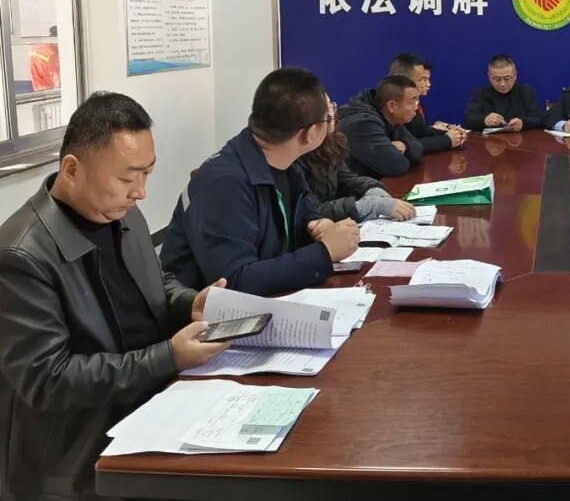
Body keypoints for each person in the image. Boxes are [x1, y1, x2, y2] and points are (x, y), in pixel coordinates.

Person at [0, 92, 230, 499]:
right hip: (81, 454)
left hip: (152, 407)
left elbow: (154, 280)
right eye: (127, 178)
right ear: (72, 169)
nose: (140, 192)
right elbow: (47, 379)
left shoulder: (123, 214)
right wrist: (169, 357)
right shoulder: (21, 256)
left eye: (147, 174)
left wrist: (188, 302)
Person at [161, 68, 360, 296]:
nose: (332, 124)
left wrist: (317, 226)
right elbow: (233, 282)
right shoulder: (225, 184)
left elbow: (299, 215)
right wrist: (324, 253)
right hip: (202, 312)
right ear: (310, 133)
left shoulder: (283, 161)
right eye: (327, 119)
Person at [297, 129, 416, 223]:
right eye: (328, 117)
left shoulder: (329, 142)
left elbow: (347, 179)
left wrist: (372, 189)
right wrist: (371, 206)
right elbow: (311, 211)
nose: (333, 116)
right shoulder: (295, 159)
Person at [338, 74, 425, 177]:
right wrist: (403, 150)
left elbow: (418, 148)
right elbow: (397, 166)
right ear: (392, 106)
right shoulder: (362, 124)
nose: (416, 107)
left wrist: (404, 145)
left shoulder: (390, 117)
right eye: (412, 101)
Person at [388, 53, 466, 153]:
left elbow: (419, 131)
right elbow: (404, 145)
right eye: (423, 79)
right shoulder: (388, 106)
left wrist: (452, 133)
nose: (429, 84)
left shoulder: (412, 104)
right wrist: (447, 140)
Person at [463, 54, 542, 132]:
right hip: (488, 139)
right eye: (497, 79)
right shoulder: (479, 93)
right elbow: (468, 119)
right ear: (489, 77)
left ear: (515, 75)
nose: (502, 84)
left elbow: (538, 119)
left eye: (507, 78)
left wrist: (523, 123)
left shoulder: (526, 91)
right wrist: (484, 120)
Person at [29, 25, 60, 91]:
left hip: (37, 89)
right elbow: (57, 80)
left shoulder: (36, 48)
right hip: (51, 91)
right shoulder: (52, 54)